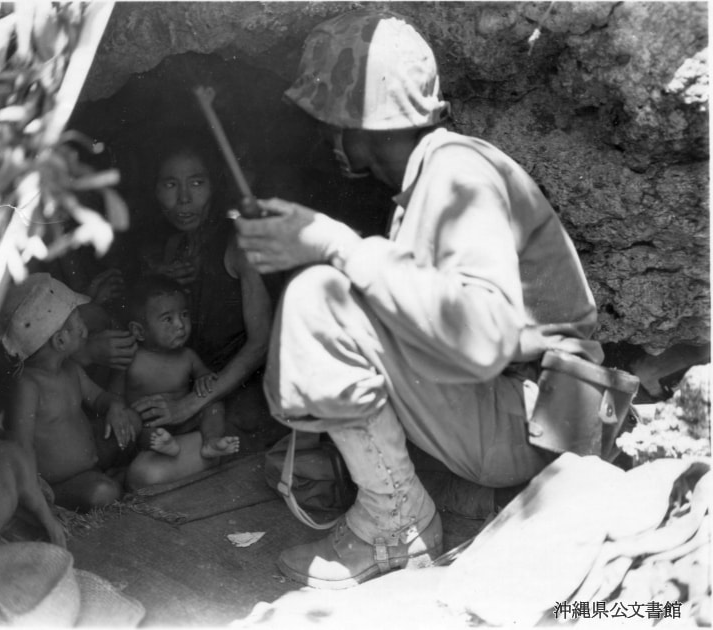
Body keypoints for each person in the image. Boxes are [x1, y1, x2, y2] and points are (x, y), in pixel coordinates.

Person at [233, 9, 604, 589]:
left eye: (333, 122)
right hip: (530, 415)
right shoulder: (434, 174)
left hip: (538, 420)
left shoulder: (457, 174)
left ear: (364, 121)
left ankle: (395, 528)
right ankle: (455, 495)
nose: (329, 139)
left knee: (320, 295)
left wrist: (335, 244)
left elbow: (482, 336)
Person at [132, 133, 274, 439]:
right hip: (194, 385)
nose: (184, 199)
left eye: (197, 183)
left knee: (148, 474)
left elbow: (260, 344)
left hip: (241, 392)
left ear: (214, 186)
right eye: (170, 184)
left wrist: (187, 405)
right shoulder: (173, 247)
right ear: (155, 190)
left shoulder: (240, 245)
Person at [0, 273, 141, 512]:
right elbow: (21, 447)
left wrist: (115, 408)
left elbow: (100, 398)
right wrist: (35, 490)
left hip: (92, 457)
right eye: (79, 323)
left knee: (132, 420)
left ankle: (109, 476)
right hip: (61, 483)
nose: (85, 330)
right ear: (61, 341)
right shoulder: (28, 386)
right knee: (104, 493)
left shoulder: (71, 369)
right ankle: (75, 492)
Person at [117, 275, 240, 490]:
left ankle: (211, 442)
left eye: (184, 315)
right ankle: (165, 447)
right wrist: (123, 412)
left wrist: (203, 378)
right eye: (168, 319)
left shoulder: (188, 356)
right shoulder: (131, 360)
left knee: (213, 405)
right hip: (151, 428)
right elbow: (115, 397)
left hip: (184, 422)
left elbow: (206, 376)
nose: (181, 325)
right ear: (138, 331)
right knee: (141, 427)